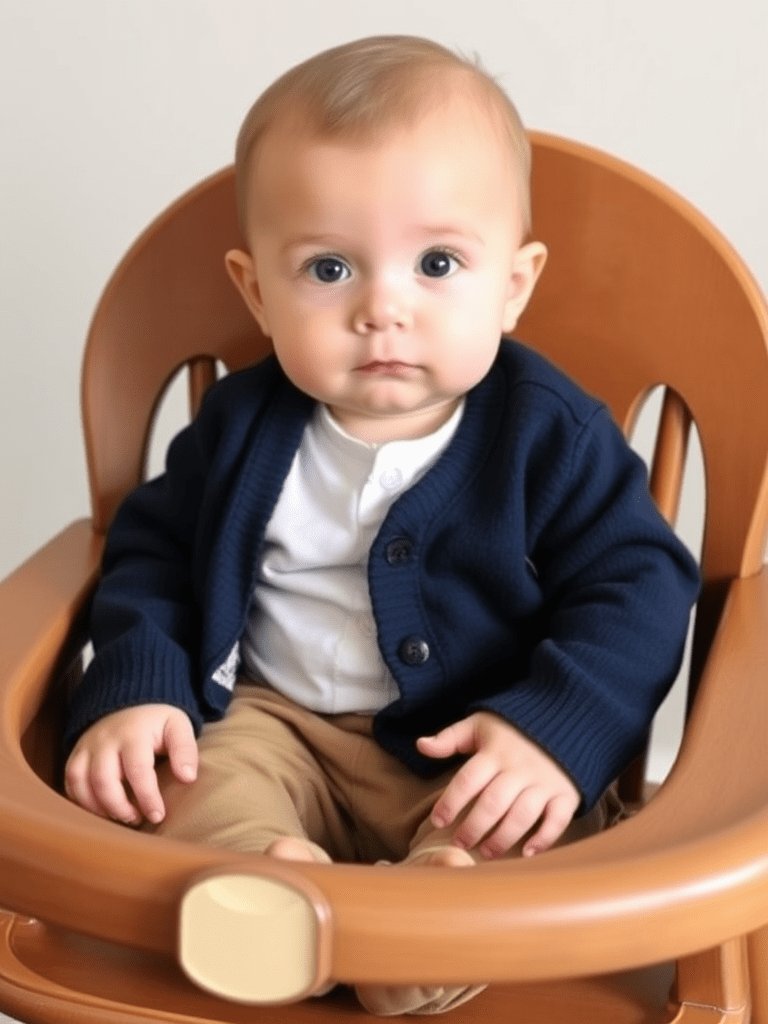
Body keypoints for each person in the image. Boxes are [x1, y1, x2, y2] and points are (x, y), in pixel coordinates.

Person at [63, 35, 699, 1015]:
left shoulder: (549, 435)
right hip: (273, 724)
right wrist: (137, 687)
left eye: (437, 261)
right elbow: (151, 555)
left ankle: (417, 927)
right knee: (190, 787)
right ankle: (272, 888)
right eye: (328, 267)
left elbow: (642, 583)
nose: (382, 308)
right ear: (255, 289)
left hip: (470, 738)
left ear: (515, 285)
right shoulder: (238, 424)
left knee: (503, 828)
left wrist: (551, 733)